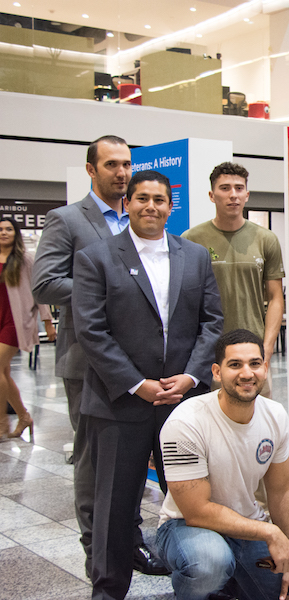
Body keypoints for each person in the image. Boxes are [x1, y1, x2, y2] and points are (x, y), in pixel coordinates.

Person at [73, 169, 224, 600]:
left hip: (183, 401)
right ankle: (108, 589)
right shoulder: (96, 258)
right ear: (128, 203)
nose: (151, 206)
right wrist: (136, 383)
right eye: (142, 198)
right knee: (115, 508)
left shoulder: (195, 256)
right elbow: (91, 331)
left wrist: (192, 376)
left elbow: (212, 323)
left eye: (159, 199)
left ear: (170, 207)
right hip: (119, 403)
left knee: (196, 495)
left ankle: (206, 578)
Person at [31, 135, 169, 579]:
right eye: (111, 164)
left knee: (132, 460)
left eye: (127, 164)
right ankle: (98, 550)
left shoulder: (140, 220)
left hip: (141, 364)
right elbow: (45, 283)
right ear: (91, 170)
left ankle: (130, 543)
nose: (122, 172)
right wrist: (104, 290)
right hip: (86, 361)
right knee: (95, 466)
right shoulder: (68, 219)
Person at [156, 329, 289, 600]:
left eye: (254, 364)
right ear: (216, 372)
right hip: (185, 526)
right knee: (210, 564)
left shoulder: (275, 415)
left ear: (265, 368)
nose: (247, 373)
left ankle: (232, 583)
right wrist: (269, 532)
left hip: (246, 527)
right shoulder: (185, 422)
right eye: (235, 365)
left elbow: (281, 491)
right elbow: (196, 511)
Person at [183, 162, 285, 394]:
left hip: (252, 353)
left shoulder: (266, 239)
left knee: (257, 425)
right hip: (209, 355)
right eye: (225, 188)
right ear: (212, 195)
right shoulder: (191, 239)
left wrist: (267, 349)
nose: (233, 195)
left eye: (239, 188)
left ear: (247, 195)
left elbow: (276, 297)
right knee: (212, 426)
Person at [0, 217, 55, 439]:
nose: (3, 232)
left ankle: (2, 419)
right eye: (0, 229)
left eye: (8, 229)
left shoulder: (26, 260)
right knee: (3, 372)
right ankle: (23, 416)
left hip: (16, 320)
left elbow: (39, 293)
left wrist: (48, 322)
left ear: (16, 233)